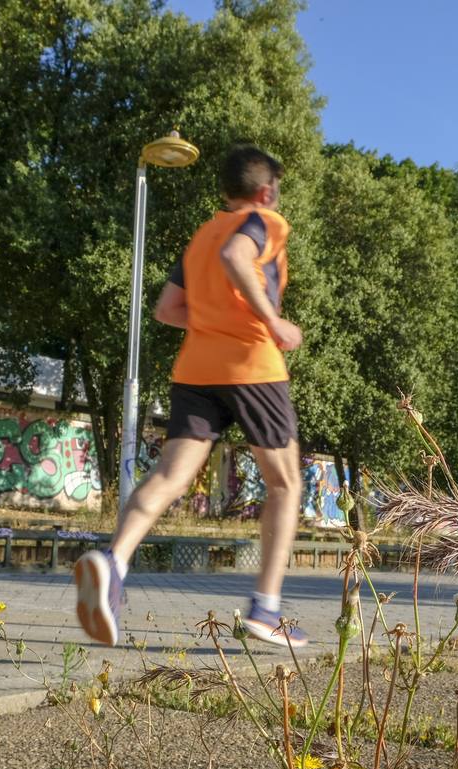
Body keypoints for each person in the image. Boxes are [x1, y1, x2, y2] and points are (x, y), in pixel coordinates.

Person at [73, 145, 307, 648]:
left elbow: (167, 309)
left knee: (171, 476)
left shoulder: (201, 236)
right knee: (286, 484)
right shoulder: (265, 222)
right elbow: (236, 256)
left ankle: (113, 563)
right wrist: (270, 321)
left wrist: (214, 324)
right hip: (252, 366)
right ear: (265, 191)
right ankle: (266, 608)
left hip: (196, 370)